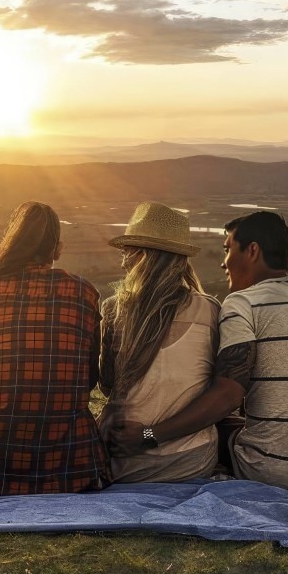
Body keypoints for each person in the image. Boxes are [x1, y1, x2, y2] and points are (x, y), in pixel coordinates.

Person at [109, 211, 288, 491]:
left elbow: (228, 395)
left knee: (216, 421)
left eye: (227, 250)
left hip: (268, 469)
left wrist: (149, 435)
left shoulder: (242, 303)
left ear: (252, 251)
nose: (224, 264)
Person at [0, 201, 110, 498]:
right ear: (57, 249)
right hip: (73, 468)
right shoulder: (84, 293)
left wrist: (5, 387)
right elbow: (89, 377)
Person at [98, 201, 220, 482]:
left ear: (139, 255)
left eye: (127, 250)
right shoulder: (211, 310)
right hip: (192, 462)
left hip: (127, 464)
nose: (123, 259)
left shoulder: (113, 310)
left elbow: (107, 385)